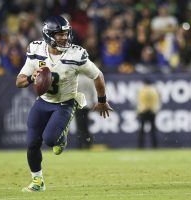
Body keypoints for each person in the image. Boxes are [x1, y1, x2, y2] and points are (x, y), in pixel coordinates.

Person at [16, 15, 113, 192]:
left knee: (51, 140)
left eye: (66, 33)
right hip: (43, 102)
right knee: (32, 143)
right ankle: (38, 181)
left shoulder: (76, 54)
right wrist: (32, 77)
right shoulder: (36, 50)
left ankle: (62, 135)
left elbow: (97, 75)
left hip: (65, 103)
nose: (64, 37)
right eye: (59, 34)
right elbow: (20, 81)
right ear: (48, 35)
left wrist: (102, 100)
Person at [137, 79, 161, 148]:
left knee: (142, 130)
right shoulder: (154, 91)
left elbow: (139, 101)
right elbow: (157, 101)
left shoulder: (141, 90)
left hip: (143, 111)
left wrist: (139, 111)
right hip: (152, 111)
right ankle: (155, 146)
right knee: (153, 130)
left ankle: (140, 146)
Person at [75, 74, 96, 149]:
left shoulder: (75, 78)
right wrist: (94, 102)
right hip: (87, 104)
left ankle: (81, 144)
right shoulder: (89, 78)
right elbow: (93, 91)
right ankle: (87, 143)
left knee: (80, 125)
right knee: (85, 124)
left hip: (78, 104)